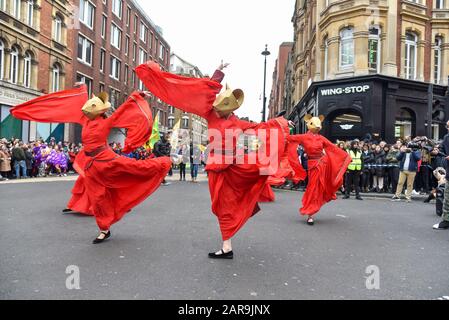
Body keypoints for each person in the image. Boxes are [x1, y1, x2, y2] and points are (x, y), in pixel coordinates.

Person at [136, 60, 289, 259]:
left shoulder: (237, 122)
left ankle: (227, 245)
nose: (217, 108)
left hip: (235, 168)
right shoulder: (210, 114)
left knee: (227, 203)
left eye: (221, 107)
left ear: (230, 109)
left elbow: (260, 127)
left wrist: (279, 123)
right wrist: (218, 74)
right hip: (217, 169)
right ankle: (227, 244)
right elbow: (204, 95)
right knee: (219, 206)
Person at [11, 84, 172, 243]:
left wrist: (138, 95)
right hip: (91, 166)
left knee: (136, 168)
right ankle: (104, 229)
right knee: (98, 198)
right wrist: (82, 88)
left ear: (100, 111)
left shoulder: (107, 121)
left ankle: (164, 162)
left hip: (107, 160)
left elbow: (123, 109)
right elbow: (81, 104)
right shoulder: (86, 121)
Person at [287, 115, 351, 225]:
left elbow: (333, 148)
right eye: (315, 125)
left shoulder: (321, 138)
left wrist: (345, 157)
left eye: (318, 126)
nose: (317, 128)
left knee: (322, 186)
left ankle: (324, 198)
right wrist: (288, 127)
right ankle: (310, 213)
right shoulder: (303, 137)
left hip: (323, 164)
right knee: (312, 188)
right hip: (313, 166)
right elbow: (288, 138)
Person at [433, 121, 449, 230]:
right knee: (447, 198)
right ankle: (446, 221)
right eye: (447, 126)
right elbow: (442, 150)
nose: (448, 128)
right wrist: (436, 151)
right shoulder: (446, 137)